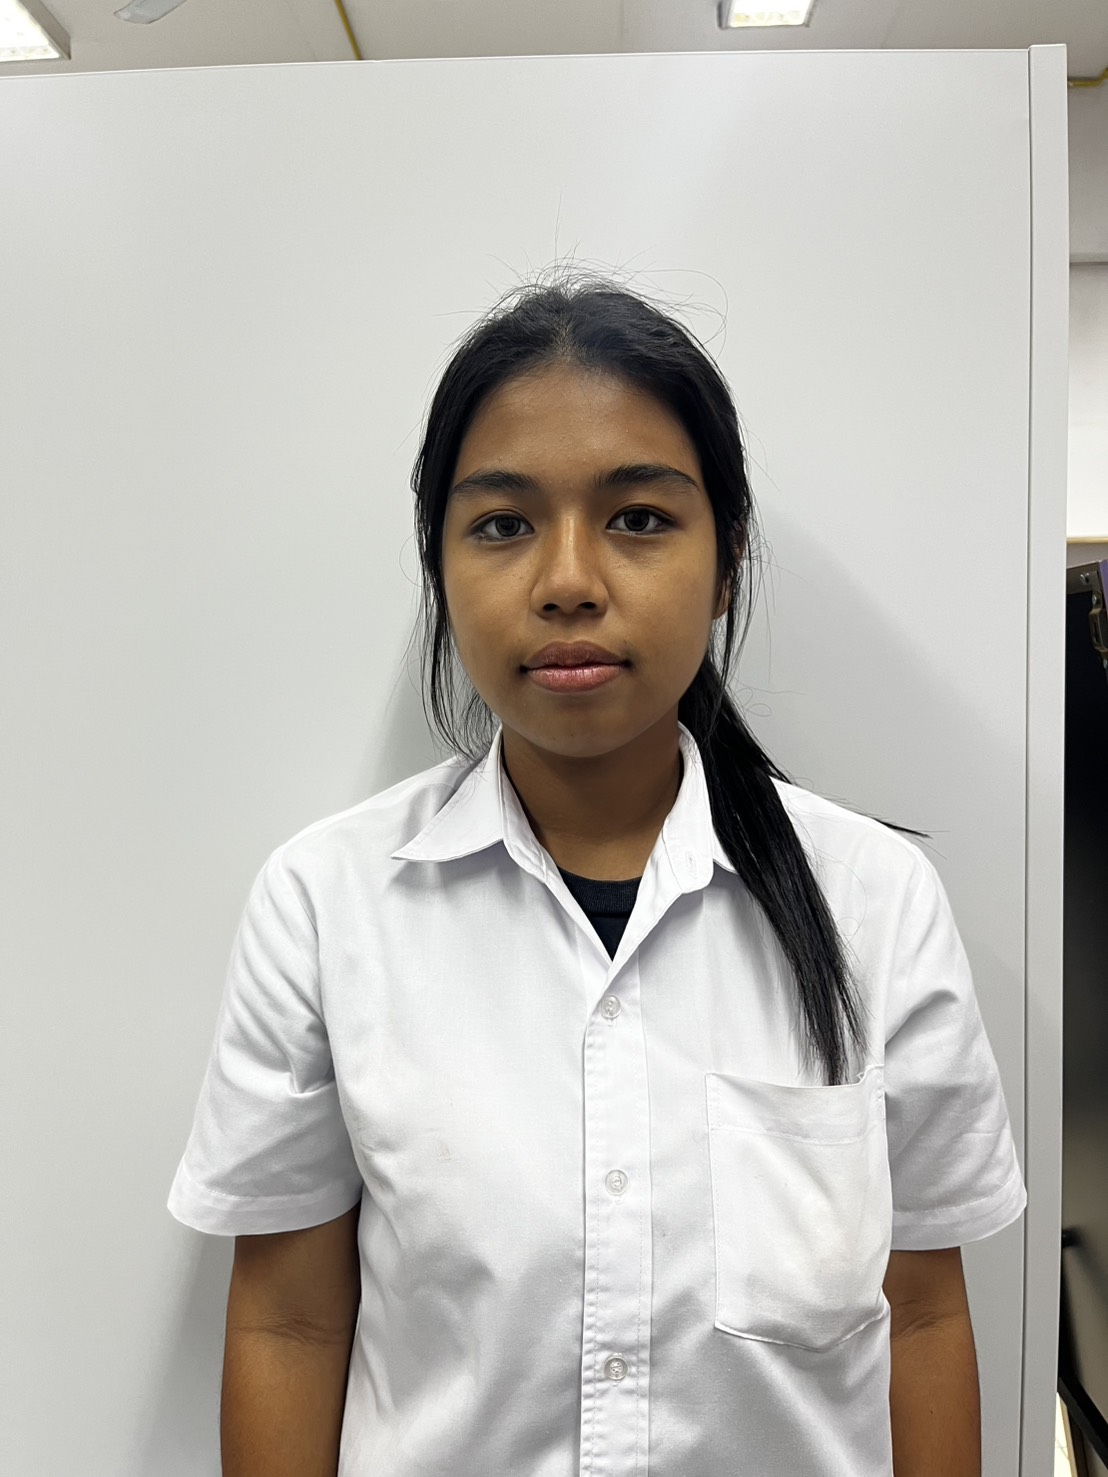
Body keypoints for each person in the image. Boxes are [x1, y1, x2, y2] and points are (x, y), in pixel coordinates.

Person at [167, 264, 1027, 1477]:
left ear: (724, 566)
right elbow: (289, 1322)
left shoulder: (874, 904)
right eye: (502, 524)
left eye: (638, 518)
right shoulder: (327, 905)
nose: (568, 580)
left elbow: (924, 1313)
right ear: (440, 568)